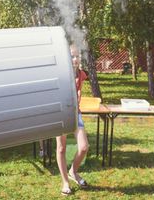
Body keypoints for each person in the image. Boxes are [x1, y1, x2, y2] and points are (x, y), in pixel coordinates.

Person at [56, 45, 89, 196]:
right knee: (61, 148)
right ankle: (65, 182)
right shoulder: (60, 74)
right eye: (72, 56)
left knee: (83, 147)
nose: (75, 59)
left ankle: (73, 171)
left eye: (77, 56)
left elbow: (79, 90)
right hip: (62, 114)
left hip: (76, 114)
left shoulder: (81, 73)